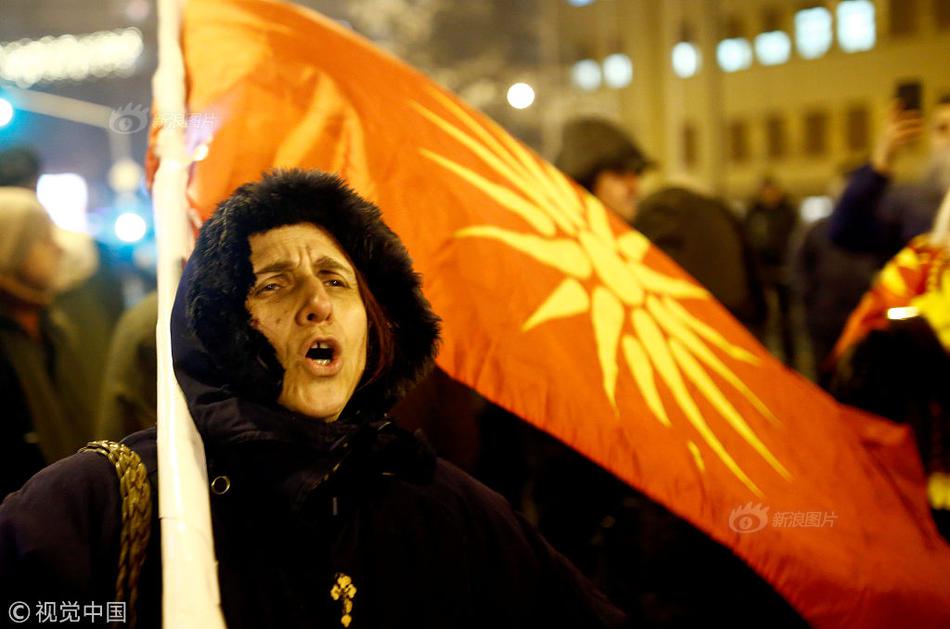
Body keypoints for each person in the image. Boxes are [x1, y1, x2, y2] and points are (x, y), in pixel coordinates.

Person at [0, 170, 627, 629]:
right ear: (221, 324)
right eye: (275, 284)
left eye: (336, 280)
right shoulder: (99, 504)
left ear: (376, 326)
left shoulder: (449, 510)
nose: (317, 302)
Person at [829, 96, 950, 261]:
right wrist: (882, 157)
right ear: (931, 137)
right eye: (943, 129)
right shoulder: (912, 203)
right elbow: (845, 231)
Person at [744, 177, 799, 365]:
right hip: (761, 273)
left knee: (787, 320)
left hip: (784, 271)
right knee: (763, 317)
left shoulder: (787, 213)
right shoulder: (754, 213)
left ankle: (790, 360)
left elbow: (794, 242)